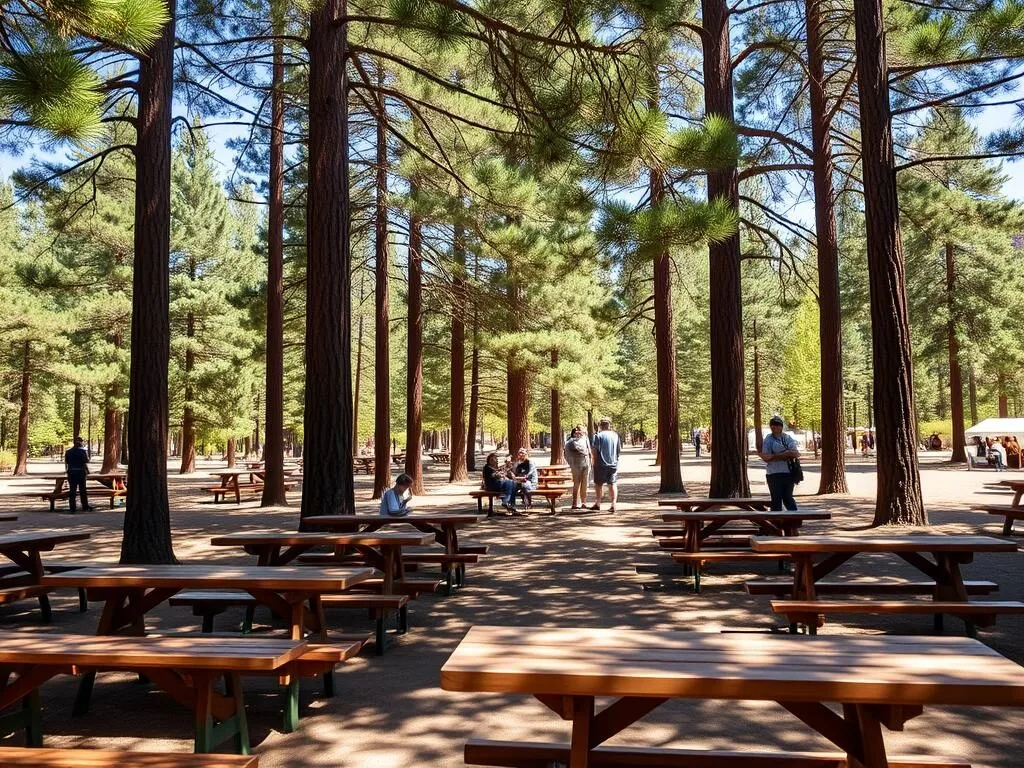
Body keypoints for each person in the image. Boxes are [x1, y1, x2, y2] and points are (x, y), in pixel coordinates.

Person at [759, 415, 799, 511]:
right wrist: (784, 454)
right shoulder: (768, 439)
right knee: (776, 499)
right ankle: (775, 522)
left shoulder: (787, 438)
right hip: (773, 474)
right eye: (772, 425)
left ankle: (795, 520)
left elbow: (796, 453)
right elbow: (766, 457)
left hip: (788, 473)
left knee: (788, 498)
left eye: (777, 425)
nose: (774, 427)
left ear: (781, 426)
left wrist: (774, 456)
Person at [590, 418, 621, 512]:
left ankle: (598, 503)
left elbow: (594, 450)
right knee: (612, 484)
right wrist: (616, 460)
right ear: (609, 425)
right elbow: (618, 450)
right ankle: (613, 504)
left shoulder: (598, 436)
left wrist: (594, 462)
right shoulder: (615, 436)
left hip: (600, 463)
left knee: (599, 484)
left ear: (600, 426)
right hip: (613, 463)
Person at [563, 426, 591, 509]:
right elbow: (566, 453)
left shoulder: (585, 439)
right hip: (575, 465)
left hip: (586, 464)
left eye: (580, 431)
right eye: (576, 432)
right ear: (574, 433)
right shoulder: (570, 442)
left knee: (584, 484)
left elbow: (589, 451)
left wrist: (591, 462)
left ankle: (583, 502)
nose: (579, 433)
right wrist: (570, 463)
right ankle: (574, 502)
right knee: (576, 484)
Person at [64, 436, 93, 513]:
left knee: (72, 491)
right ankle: (85, 506)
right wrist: (87, 471)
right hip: (81, 472)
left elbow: (67, 462)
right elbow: (86, 461)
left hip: (71, 472)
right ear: (80, 442)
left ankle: (72, 508)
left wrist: (67, 471)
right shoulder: (82, 452)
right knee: (82, 490)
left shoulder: (68, 452)